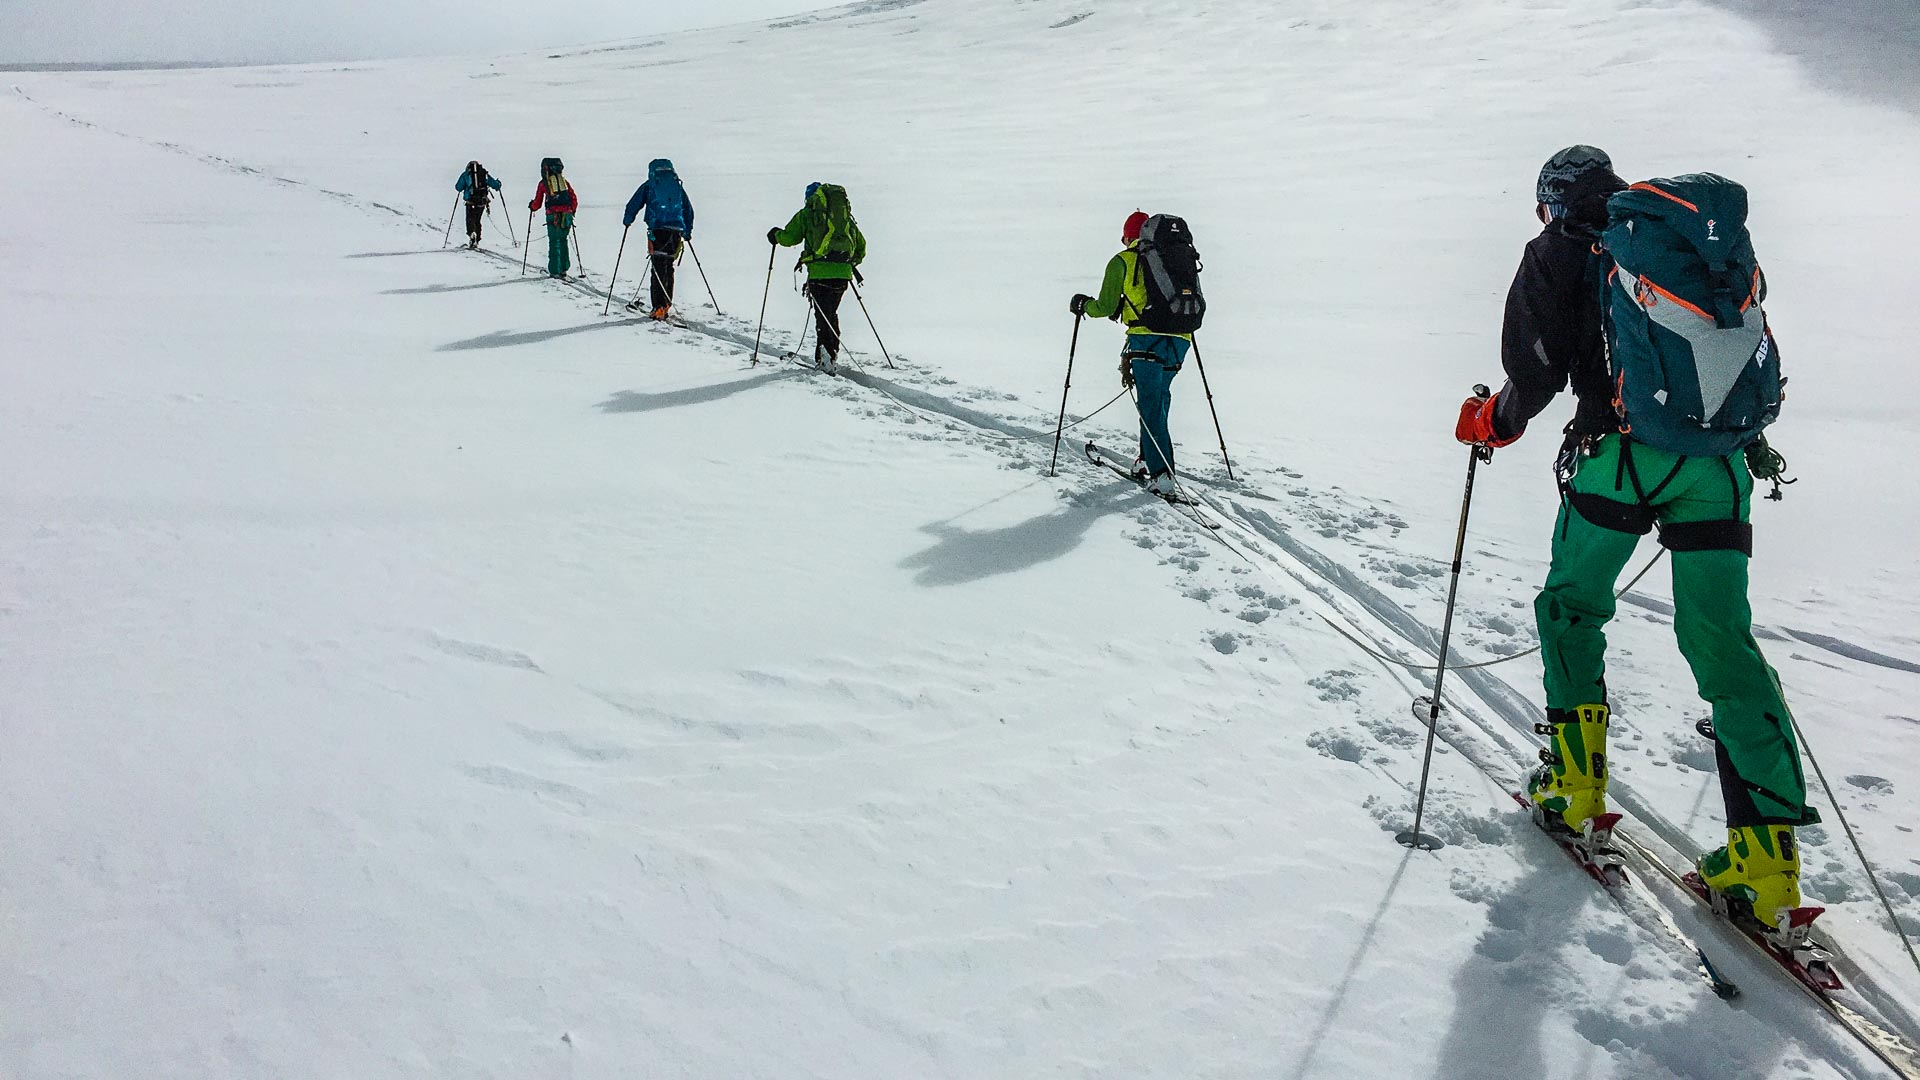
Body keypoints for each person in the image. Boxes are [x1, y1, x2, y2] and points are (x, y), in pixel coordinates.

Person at [1456, 146, 1815, 927]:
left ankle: (1575, 786)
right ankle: (1767, 860)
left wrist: (1495, 422)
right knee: (1723, 640)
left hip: (1619, 460)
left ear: (1550, 197)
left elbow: (1537, 366)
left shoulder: (1559, 249)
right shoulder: (1673, 244)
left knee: (1572, 608)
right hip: (1719, 467)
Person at [1070, 211, 1194, 498]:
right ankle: (1146, 460)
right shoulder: (1173, 257)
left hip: (1145, 340)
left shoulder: (1123, 261)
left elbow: (1103, 306)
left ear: (1128, 236)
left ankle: (1162, 475)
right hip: (1181, 339)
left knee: (1150, 403)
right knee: (1158, 399)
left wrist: (1083, 306)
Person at [768, 183, 865, 372]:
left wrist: (775, 235)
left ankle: (826, 358)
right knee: (830, 313)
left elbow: (789, 238)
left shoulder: (808, 214)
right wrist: (847, 263)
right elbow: (861, 246)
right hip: (843, 276)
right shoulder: (844, 219)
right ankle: (831, 354)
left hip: (819, 275)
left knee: (823, 316)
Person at [622, 159, 696, 319]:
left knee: (657, 268)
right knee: (668, 267)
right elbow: (688, 210)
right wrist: (687, 232)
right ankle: (666, 304)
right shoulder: (677, 186)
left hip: (657, 230)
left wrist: (628, 220)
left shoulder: (650, 185)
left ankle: (658, 307)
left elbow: (633, 204)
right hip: (676, 231)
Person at [528, 158, 579, 279]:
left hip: (553, 215)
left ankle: (555, 270)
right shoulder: (564, 182)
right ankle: (563, 269)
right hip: (566, 215)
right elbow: (573, 198)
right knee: (563, 240)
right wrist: (571, 211)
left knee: (554, 242)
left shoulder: (543, 183)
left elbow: (537, 203)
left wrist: (532, 207)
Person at [454, 161, 502, 249]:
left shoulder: (466, 174)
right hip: (481, 202)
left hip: (470, 201)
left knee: (470, 219)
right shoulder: (484, 174)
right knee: (477, 219)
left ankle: (471, 234)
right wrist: (498, 184)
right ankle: (477, 239)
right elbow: (494, 184)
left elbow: (458, 187)